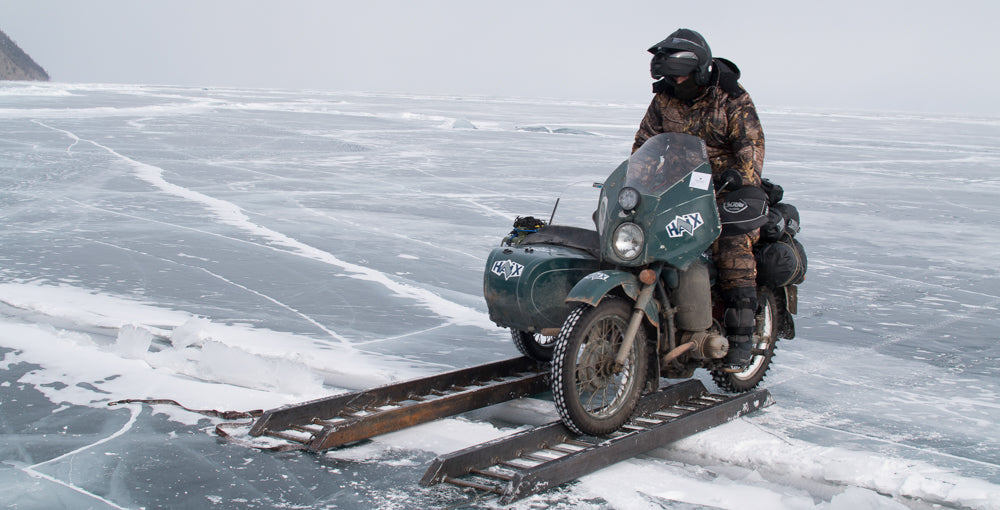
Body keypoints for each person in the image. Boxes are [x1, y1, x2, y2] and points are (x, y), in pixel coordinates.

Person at [632, 28, 767, 369]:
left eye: (680, 77)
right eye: (671, 77)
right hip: (676, 186)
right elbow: (645, 145)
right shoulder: (664, 98)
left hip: (726, 189)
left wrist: (740, 177)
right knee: (636, 235)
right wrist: (635, 183)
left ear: (700, 70)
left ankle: (739, 341)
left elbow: (750, 146)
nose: (676, 83)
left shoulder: (732, 97)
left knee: (732, 249)